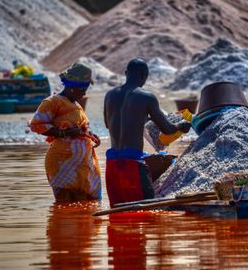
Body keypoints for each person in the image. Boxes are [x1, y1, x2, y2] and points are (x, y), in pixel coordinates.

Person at [103, 58, 191, 208]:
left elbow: (107, 124)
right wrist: (181, 125)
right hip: (133, 165)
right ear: (144, 76)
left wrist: (139, 119)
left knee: (118, 218)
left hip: (112, 165)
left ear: (126, 73)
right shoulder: (146, 97)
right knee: (145, 214)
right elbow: (167, 129)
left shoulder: (110, 95)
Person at [28, 62, 102, 202]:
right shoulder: (52, 102)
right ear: (73, 87)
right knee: (65, 205)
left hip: (80, 166)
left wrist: (90, 135)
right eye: (83, 89)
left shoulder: (76, 105)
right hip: (62, 164)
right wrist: (64, 133)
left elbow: (79, 128)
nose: (85, 93)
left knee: (82, 208)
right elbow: (36, 125)